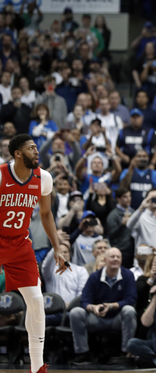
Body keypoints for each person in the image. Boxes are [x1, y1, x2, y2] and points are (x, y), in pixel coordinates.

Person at [0, 135, 69, 373]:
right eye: (31, 148)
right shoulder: (0, 175)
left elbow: (46, 214)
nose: (36, 151)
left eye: (36, 147)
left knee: (37, 301)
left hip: (20, 243)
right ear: (18, 153)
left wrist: (57, 247)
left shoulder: (44, 178)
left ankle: (37, 366)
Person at [69, 248, 137, 364]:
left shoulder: (128, 275)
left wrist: (111, 306)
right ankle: (83, 354)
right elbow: (84, 300)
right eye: (112, 257)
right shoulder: (95, 277)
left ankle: (125, 353)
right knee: (75, 312)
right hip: (97, 317)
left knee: (129, 310)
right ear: (105, 260)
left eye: (118, 257)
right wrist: (93, 308)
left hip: (118, 318)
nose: (115, 259)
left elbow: (131, 299)